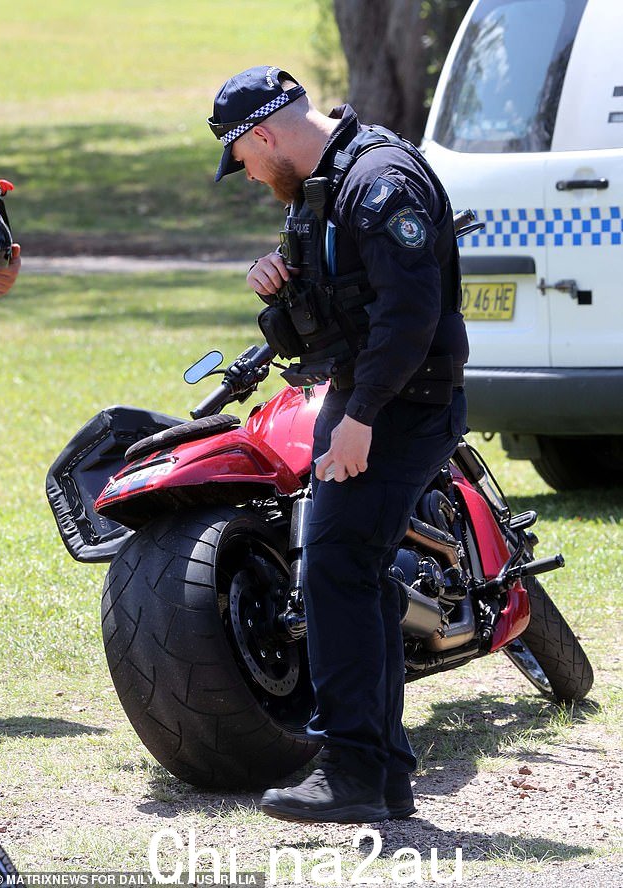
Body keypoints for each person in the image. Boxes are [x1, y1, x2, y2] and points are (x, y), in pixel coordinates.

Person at [208, 66, 468, 824]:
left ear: (263, 133)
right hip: (362, 400)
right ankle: (381, 776)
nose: (252, 177)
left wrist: (361, 421)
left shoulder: (379, 180)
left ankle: (352, 769)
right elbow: (344, 299)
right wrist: (278, 284)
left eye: (246, 161)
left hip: (396, 409)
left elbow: (410, 315)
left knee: (335, 573)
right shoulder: (326, 183)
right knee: (355, 575)